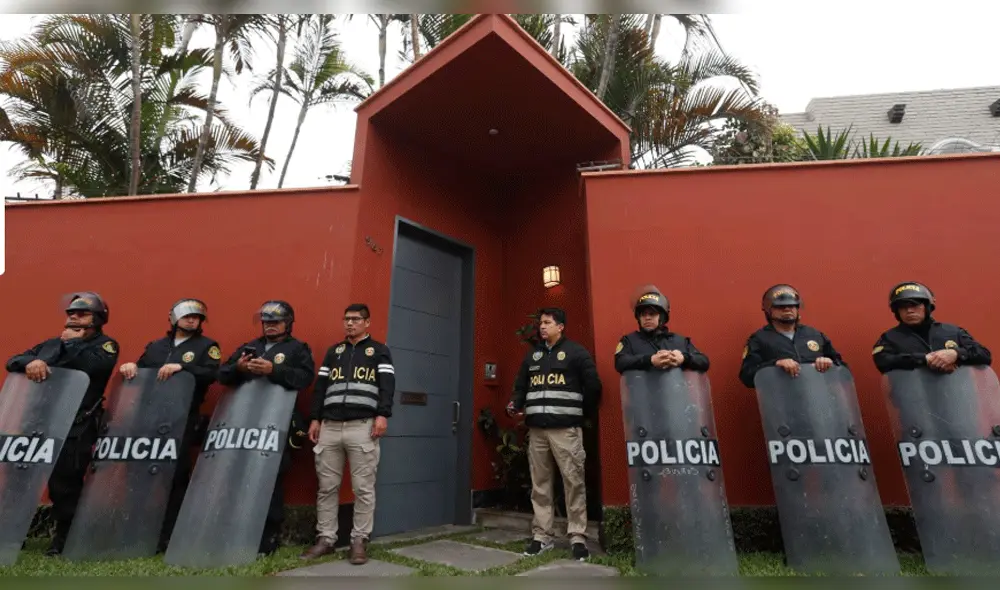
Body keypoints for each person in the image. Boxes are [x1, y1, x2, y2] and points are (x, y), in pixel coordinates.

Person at [5, 292, 120, 556]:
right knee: (19, 478)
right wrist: (31, 362)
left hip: (76, 425)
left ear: (98, 319)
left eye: (82, 314)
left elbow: (92, 368)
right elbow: (13, 361)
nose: (74, 318)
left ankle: (64, 540)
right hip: (39, 421)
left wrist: (72, 345)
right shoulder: (50, 344)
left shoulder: (106, 346)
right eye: (71, 314)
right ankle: (12, 534)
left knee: (64, 484)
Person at [117, 298, 222, 553]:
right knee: (139, 474)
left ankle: (168, 535)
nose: (191, 320)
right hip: (148, 417)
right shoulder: (156, 346)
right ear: (174, 318)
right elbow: (141, 370)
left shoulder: (207, 346)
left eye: (196, 317)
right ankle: (135, 531)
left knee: (174, 476)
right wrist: (131, 366)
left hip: (181, 418)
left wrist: (183, 367)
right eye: (187, 316)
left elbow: (213, 373)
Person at [217, 300, 315, 556]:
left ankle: (267, 539)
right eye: (266, 322)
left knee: (271, 479)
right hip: (244, 423)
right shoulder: (250, 347)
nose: (270, 326)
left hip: (276, 424)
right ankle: (233, 530)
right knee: (238, 475)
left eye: (276, 322)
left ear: (288, 323)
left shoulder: (297, 348)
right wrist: (238, 368)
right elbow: (222, 374)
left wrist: (275, 369)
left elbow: (305, 379)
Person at [300, 304, 395, 565]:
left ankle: (358, 541)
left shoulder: (379, 351)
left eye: (355, 319)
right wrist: (315, 419)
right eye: (347, 319)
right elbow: (320, 387)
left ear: (367, 323)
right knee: (326, 487)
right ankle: (326, 539)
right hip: (329, 427)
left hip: (362, 427)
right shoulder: (334, 352)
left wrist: (382, 415)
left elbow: (387, 385)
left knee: (363, 488)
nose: (350, 324)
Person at [507, 307, 602, 561]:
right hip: (537, 431)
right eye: (541, 323)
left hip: (566, 431)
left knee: (573, 483)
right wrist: (515, 403)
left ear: (561, 327)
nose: (542, 327)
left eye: (547, 323)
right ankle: (542, 536)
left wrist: (581, 415)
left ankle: (578, 538)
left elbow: (593, 386)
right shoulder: (533, 356)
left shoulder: (576, 353)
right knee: (540, 485)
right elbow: (521, 386)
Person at [872, 281, 991, 373]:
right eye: (903, 307)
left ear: (927, 307)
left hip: (958, 398)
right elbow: (883, 361)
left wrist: (956, 354)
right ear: (896, 312)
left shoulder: (953, 332)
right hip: (914, 400)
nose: (909, 310)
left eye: (914, 305)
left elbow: (984, 355)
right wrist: (924, 359)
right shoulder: (890, 338)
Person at [739, 284, 844, 388]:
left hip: (816, 400)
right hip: (782, 401)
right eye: (780, 306)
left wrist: (830, 363)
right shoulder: (759, 339)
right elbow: (747, 376)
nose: (787, 309)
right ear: (768, 310)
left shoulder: (815, 335)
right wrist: (775, 365)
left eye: (792, 305)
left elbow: (843, 369)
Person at [614, 286, 710, 374]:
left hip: (675, 392)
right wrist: (650, 360)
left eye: (652, 314)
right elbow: (620, 362)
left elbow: (704, 361)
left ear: (662, 317)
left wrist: (684, 358)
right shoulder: (629, 341)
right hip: (643, 392)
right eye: (643, 314)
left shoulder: (679, 341)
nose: (647, 318)